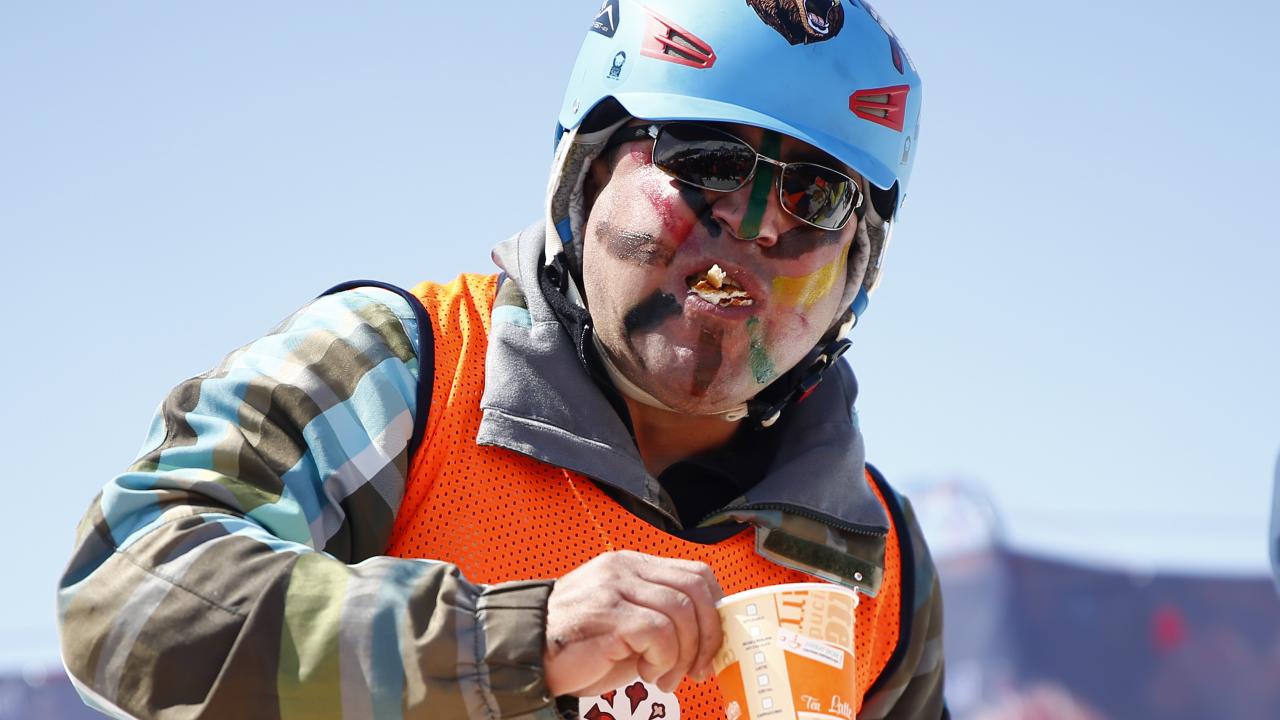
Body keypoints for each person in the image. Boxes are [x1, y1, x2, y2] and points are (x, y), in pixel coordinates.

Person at [57, 1, 946, 718]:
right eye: (706, 158)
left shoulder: (878, 561)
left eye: (817, 194)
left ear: (857, 269)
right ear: (586, 175)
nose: (754, 224)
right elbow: (130, 597)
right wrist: (510, 641)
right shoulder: (400, 373)